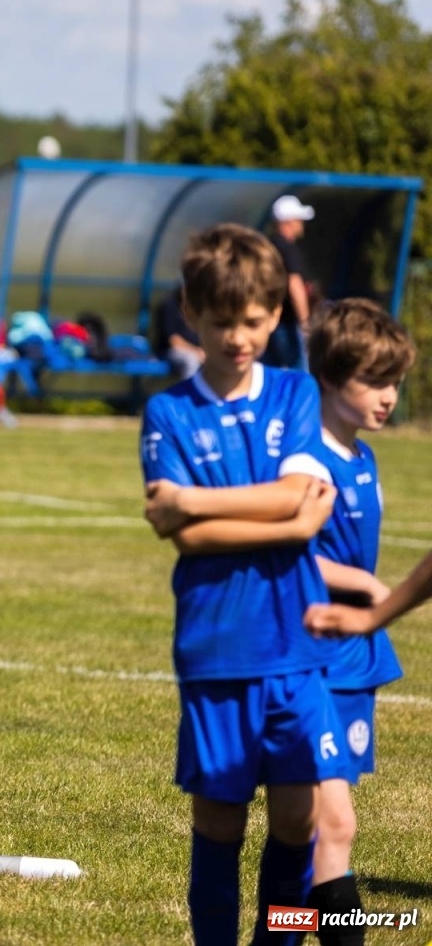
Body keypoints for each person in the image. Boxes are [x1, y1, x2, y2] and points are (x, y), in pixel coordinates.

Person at [139, 224, 342, 946]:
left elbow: (294, 497)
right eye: (222, 320)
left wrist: (191, 499)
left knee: (299, 818)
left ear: (276, 314)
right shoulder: (169, 411)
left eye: (253, 320)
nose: (238, 337)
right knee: (220, 820)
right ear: (191, 312)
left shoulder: (295, 391)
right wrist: (287, 522)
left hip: (295, 643)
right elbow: (192, 540)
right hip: (217, 647)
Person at [289, 299, 415, 946]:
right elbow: (289, 550)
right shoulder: (309, 463)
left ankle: (279, 927)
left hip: (353, 654)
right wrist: (364, 584)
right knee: (329, 824)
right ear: (331, 377)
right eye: (374, 381)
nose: (388, 396)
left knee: (321, 828)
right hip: (311, 653)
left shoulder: (362, 456)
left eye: (395, 382)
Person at [261, 194, 315, 370]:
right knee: (298, 373)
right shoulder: (287, 248)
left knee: (269, 371)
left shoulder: (266, 246)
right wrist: (305, 323)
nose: (301, 224)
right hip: (287, 324)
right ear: (289, 221)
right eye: (298, 219)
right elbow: (295, 285)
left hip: (268, 320)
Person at [153, 286, 204, 380]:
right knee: (190, 360)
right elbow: (174, 341)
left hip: (199, 352)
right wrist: (197, 352)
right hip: (170, 352)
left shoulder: (201, 308)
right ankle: (189, 389)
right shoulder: (169, 306)